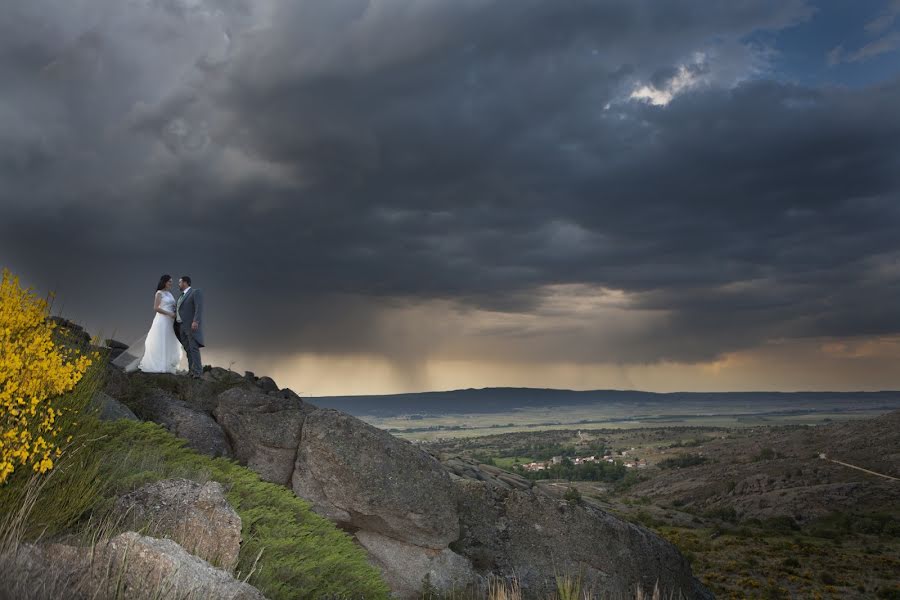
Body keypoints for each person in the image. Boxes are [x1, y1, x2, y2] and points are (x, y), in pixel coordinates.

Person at [136, 274, 184, 374]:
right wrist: (169, 313)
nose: (171, 283)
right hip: (162, 320)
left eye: (171, 281)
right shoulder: (159, 293)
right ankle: (160, 366)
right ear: (164, 282)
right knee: (161, 340)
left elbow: (174, 305)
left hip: (170, 321)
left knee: (170, 341)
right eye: (169, 281)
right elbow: (156, 308)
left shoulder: (169, 294)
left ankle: (167, 365)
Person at [174, 275, 204, 378]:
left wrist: (195, 321)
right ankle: (191, 371)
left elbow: (198, 307)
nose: (178, 284)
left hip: (191, 325)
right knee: (188, 349)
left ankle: (198, 372)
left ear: (185, 283)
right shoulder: (181, 296)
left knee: (193, 348)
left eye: (180, 282)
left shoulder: (195, 292)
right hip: (181, 326)